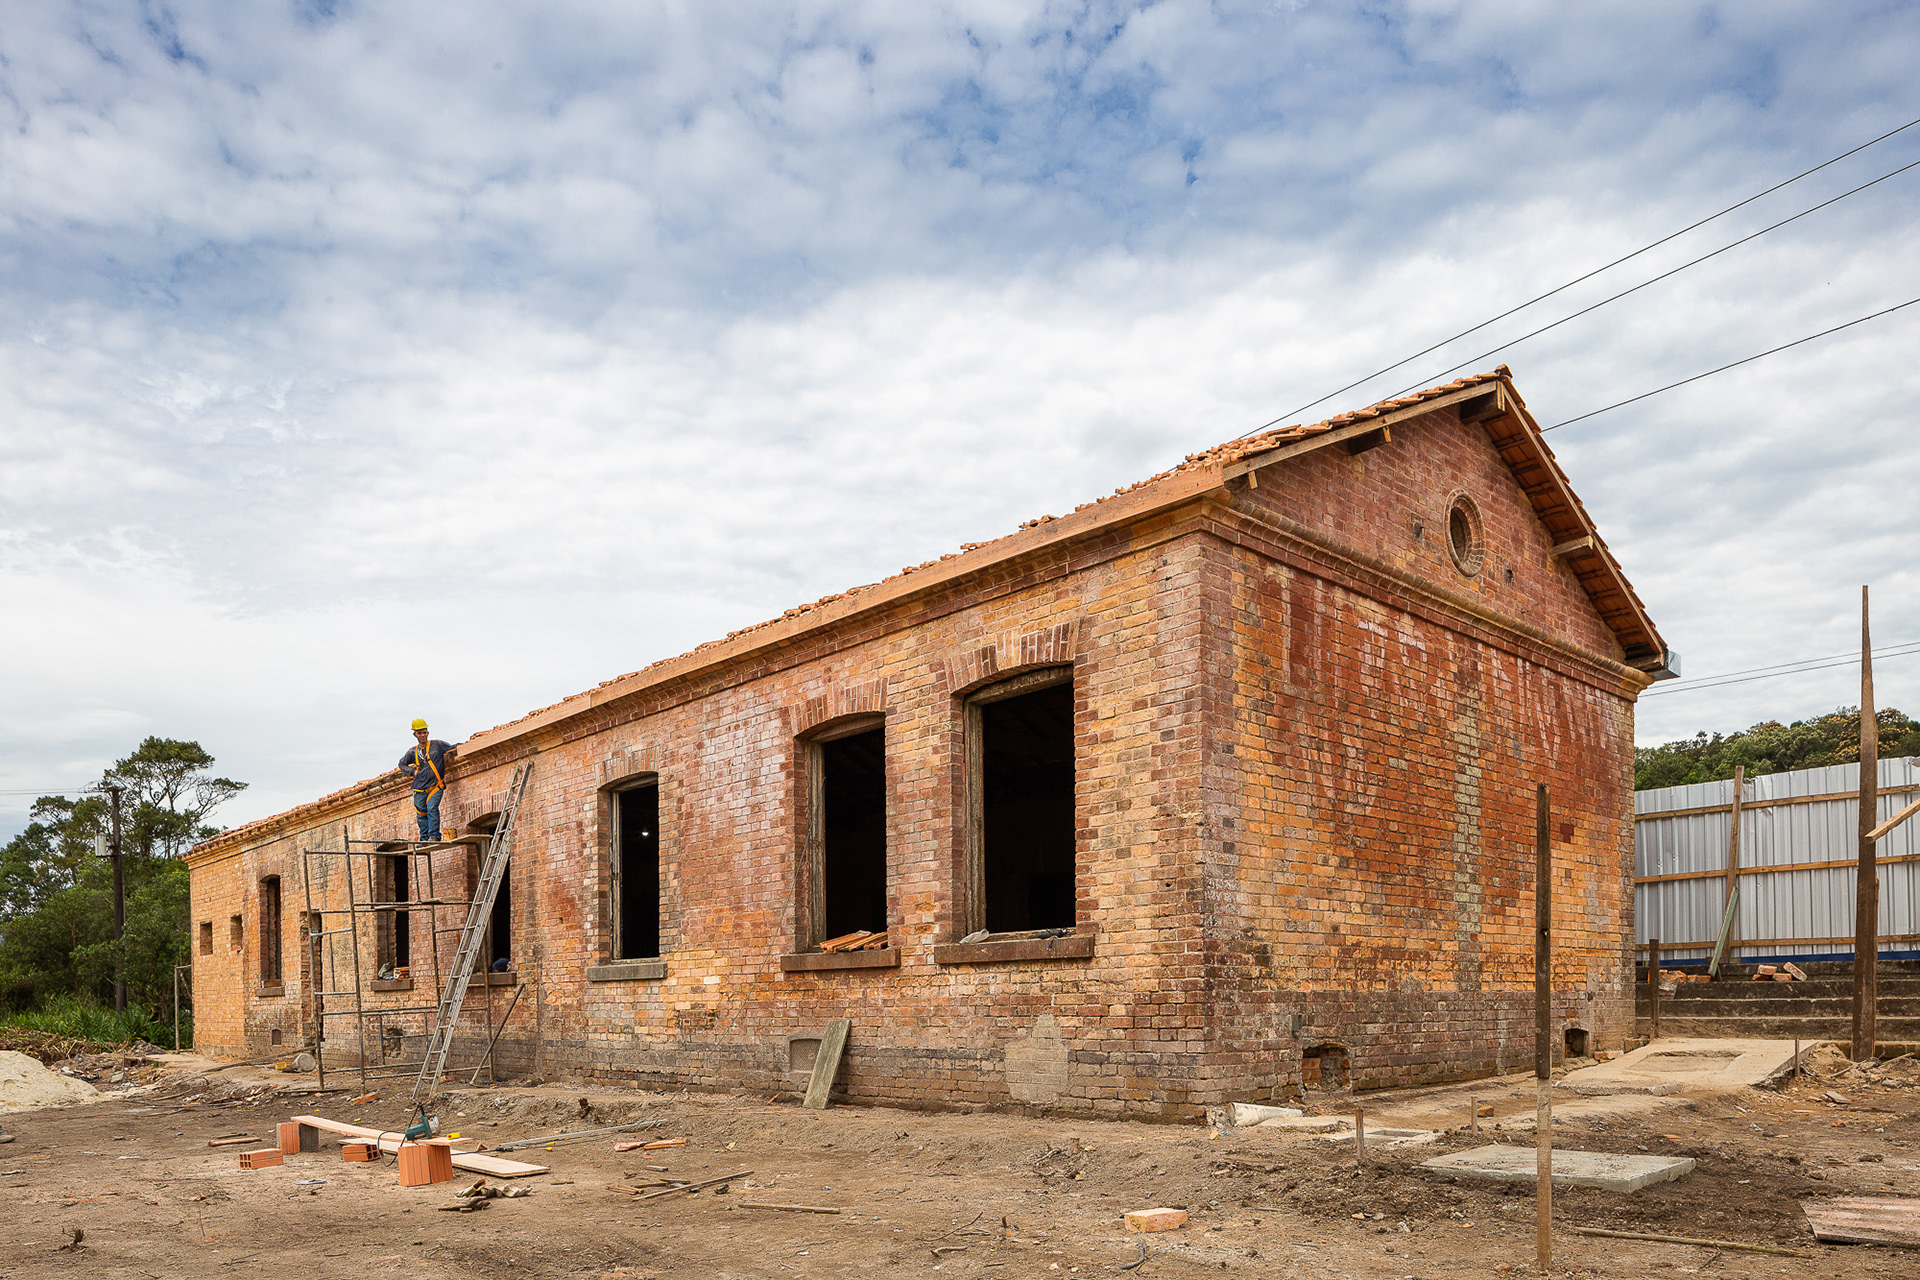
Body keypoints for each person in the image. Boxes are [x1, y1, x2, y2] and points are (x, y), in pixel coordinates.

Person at [398, 719, 455, 841]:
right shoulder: (413, 752)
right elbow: (402, 764)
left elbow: (453, 747)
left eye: (424, 732)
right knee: (421, 814)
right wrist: (412, 772)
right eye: (420, 733)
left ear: (427, 733)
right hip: (419, 788)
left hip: (436, 786)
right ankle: (424, 838)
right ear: (415, 735)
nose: (423, 735)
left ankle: (434, 835)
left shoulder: (437, 745)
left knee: (432, 808)